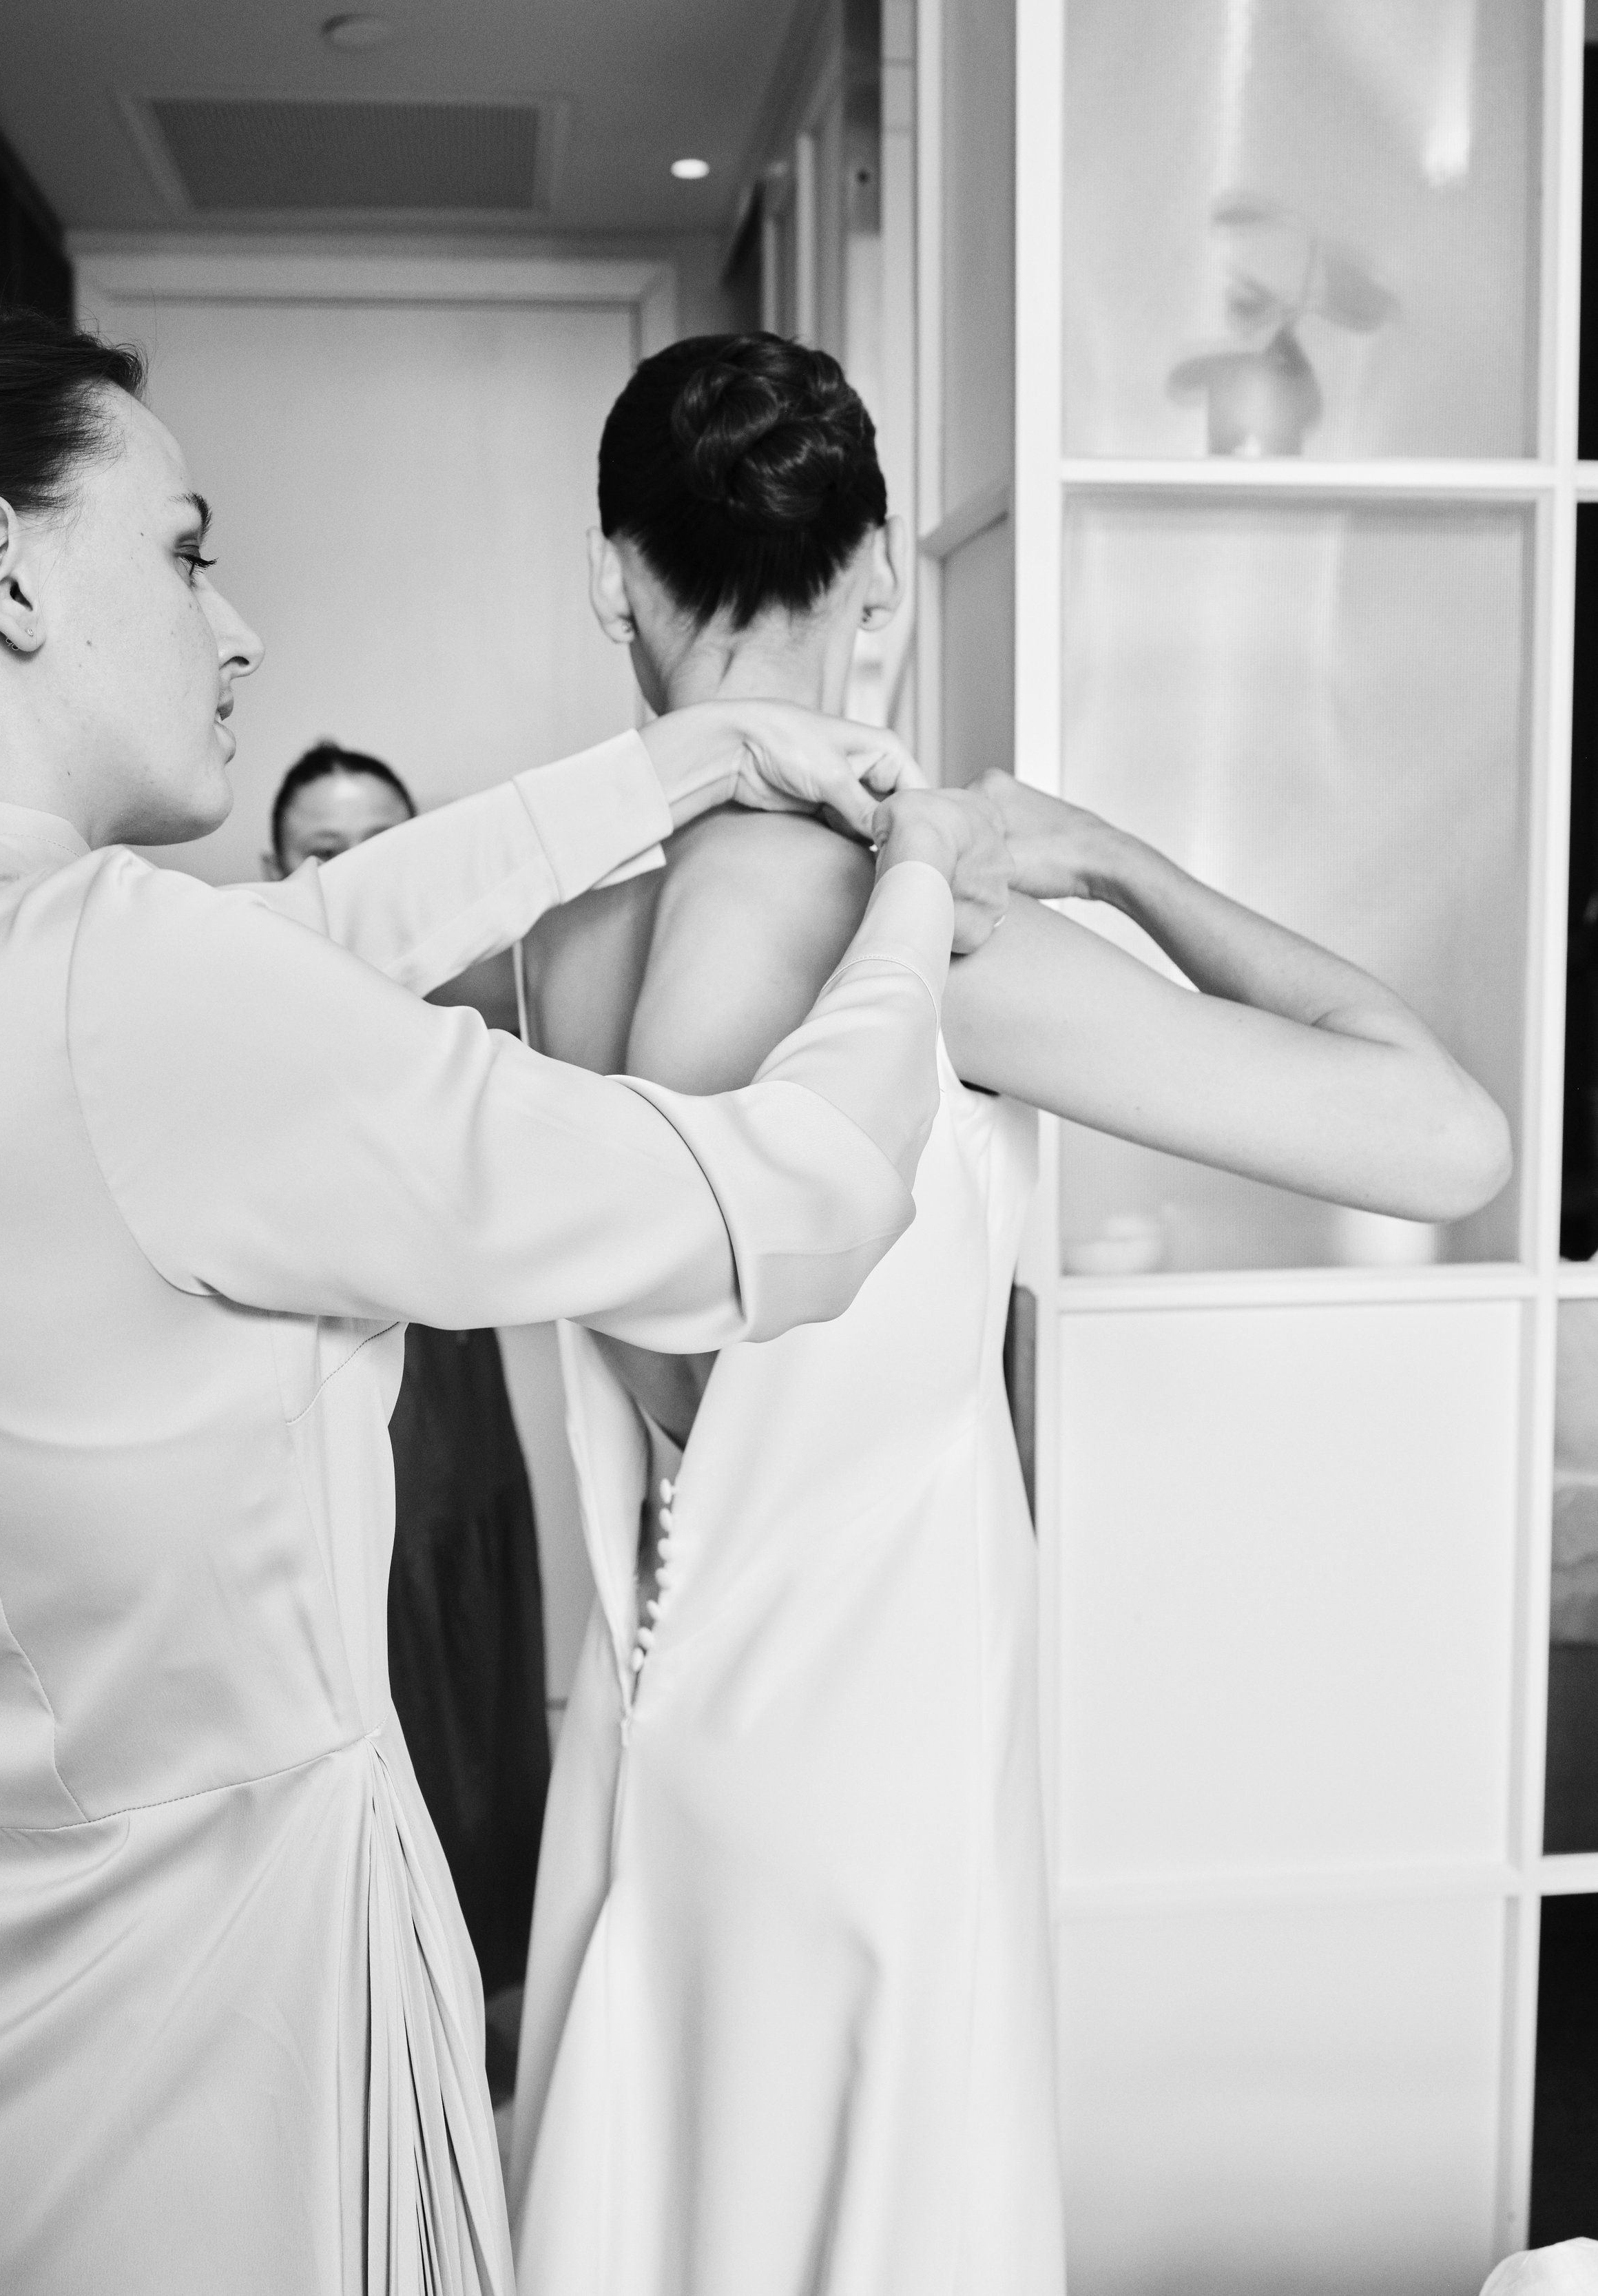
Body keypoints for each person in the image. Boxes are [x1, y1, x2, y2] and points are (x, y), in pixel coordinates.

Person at [0, 293, 1012, 2296]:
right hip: (201, 2041)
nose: (233, 628)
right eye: (186, 546)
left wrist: (683, 760)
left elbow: (306, 943)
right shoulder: (110, 979)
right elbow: (790, 1202)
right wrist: (920, 892)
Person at [508, 333, 1513, 2296]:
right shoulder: (924, 928)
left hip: (651, 1750)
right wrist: (1111, 859)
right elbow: (1440, 1131)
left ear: (610, 575)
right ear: (879, 571)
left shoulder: (552, 935)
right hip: (874, 1762)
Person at [269, 741, 548, 2089]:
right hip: (328, 1451)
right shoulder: (239, 1020)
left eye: (380, 837)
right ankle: (391, 2034)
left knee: (486, 1704)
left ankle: (488, 2015)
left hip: (464, 1429)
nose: (355, 866)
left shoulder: (475, 1008)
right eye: (324, 848)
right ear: (282, 871)